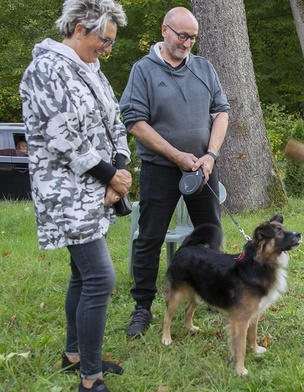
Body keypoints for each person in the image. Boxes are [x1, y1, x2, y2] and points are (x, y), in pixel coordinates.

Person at [19, 0, 131, 391]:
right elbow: (64, 139)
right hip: (65, 193)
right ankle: (90, 379)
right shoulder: (45, 70)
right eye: (104, 39)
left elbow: (115, 122)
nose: (107, 48)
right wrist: (112, 178)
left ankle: (74, 355)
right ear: (79, 29)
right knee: (100, 277)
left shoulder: (92, 70)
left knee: (83, 275)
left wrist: (118, 165)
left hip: (97, 188)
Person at [119, 6, 230, 337]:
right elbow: (135, 123)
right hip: (160, 169)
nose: (187, 43)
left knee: (211, 232)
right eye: (182, 35)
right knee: (150, 237)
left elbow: (221, 111)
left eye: (193, 37)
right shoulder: (144, 70)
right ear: (164, 30)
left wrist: (210, 154)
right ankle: (142, 307)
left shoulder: (204, 68)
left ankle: (214, 293)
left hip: (203, 168)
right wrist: (175, 155)